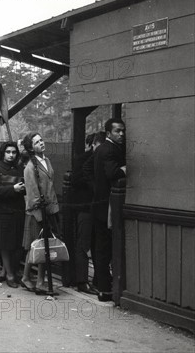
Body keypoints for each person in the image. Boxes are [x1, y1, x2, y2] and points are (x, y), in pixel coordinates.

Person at [20, 132, 60, 293]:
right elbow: (32, 193)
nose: (41, 143)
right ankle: (27, 278)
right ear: (31, 148)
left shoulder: (46, 160)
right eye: (37, 142)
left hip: (50, 209)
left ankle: (40, 281)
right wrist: (39, 214)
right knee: (36, 246)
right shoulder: (30, 167)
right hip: (38, 212)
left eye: (41, 140)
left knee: (46, 246)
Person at [92, 118, 126, 301]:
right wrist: (125, 169)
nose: (121, 134)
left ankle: (102, 286)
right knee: (105, 248)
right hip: (107, 207)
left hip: (100, 204)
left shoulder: (102, 149)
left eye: (122, 131)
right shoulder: (109, 150)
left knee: (102, 248)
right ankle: (105, 290)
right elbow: (112, 173)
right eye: (117, 131)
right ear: (108, 133)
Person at [71, 132, 105, 295]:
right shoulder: (82, 160)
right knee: (83, 243)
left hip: (98, 208)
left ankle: (98, 279)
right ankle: (82, 281)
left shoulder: (101, 159)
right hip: (85, 207)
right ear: (94, 145)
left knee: (98, 244)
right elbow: (75, 181)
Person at [0, 141, 26, 288]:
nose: (11, 155)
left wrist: (23, 189)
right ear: (3, 153)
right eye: (8, 152)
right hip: (3, 212)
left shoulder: (19, 169)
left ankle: (10, 271)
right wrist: (13, 189)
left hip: (18, 210)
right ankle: (10, 274)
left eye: (14, 152)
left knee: (16, 244)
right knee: (5, 245)